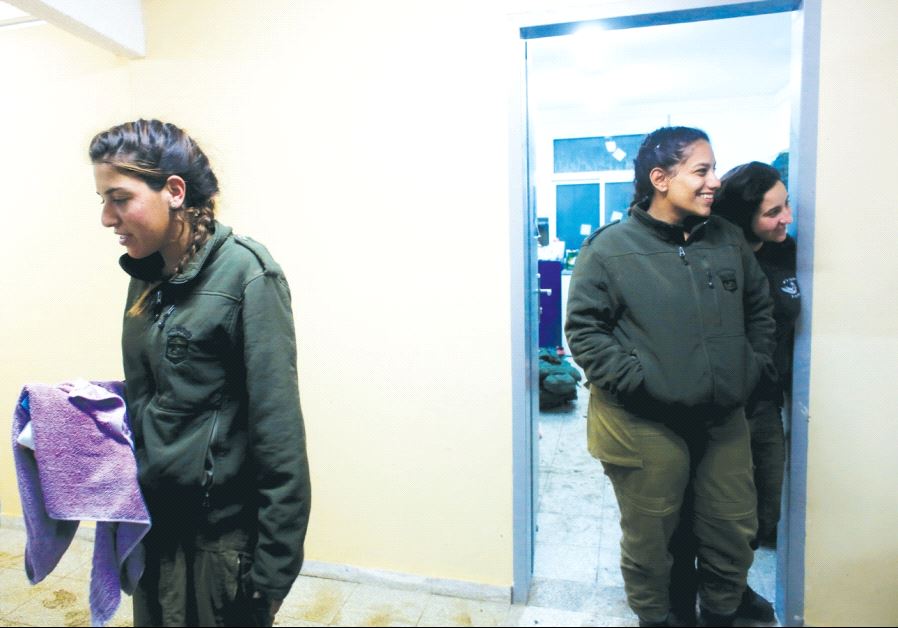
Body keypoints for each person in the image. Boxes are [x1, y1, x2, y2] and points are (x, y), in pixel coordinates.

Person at [90, 119, 311, 627]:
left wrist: (272, 575)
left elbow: (279, 435)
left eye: (119, 198)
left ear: (173, 191)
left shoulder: (249, 275)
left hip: (220, 545)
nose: (106, 217)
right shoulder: (146, 275)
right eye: (101, 200)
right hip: (155, 528)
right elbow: (164, 394)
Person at [564, 126, 776, 627]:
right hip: (643, 422)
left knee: (731, 529)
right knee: (651, 538)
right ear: (660, 178)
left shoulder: (727, 241)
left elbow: (759, 310)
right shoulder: (610, 249)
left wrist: (751, 367)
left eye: (713, 169)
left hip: (722, 416)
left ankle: (721, 614)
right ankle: (656, 620)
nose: (714, 182)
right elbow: (585, 331)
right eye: (702, 170)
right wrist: (640, 381)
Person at [713, 161, 800, 547]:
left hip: (766, 401)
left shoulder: (788, 252)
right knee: (722, 512)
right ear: (741, 216)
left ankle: (735, 584)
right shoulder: (714, 259)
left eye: (787, 205)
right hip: (721, 405)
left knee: (767, 509)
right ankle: (719, 592)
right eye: (773, 212)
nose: (788, 218)